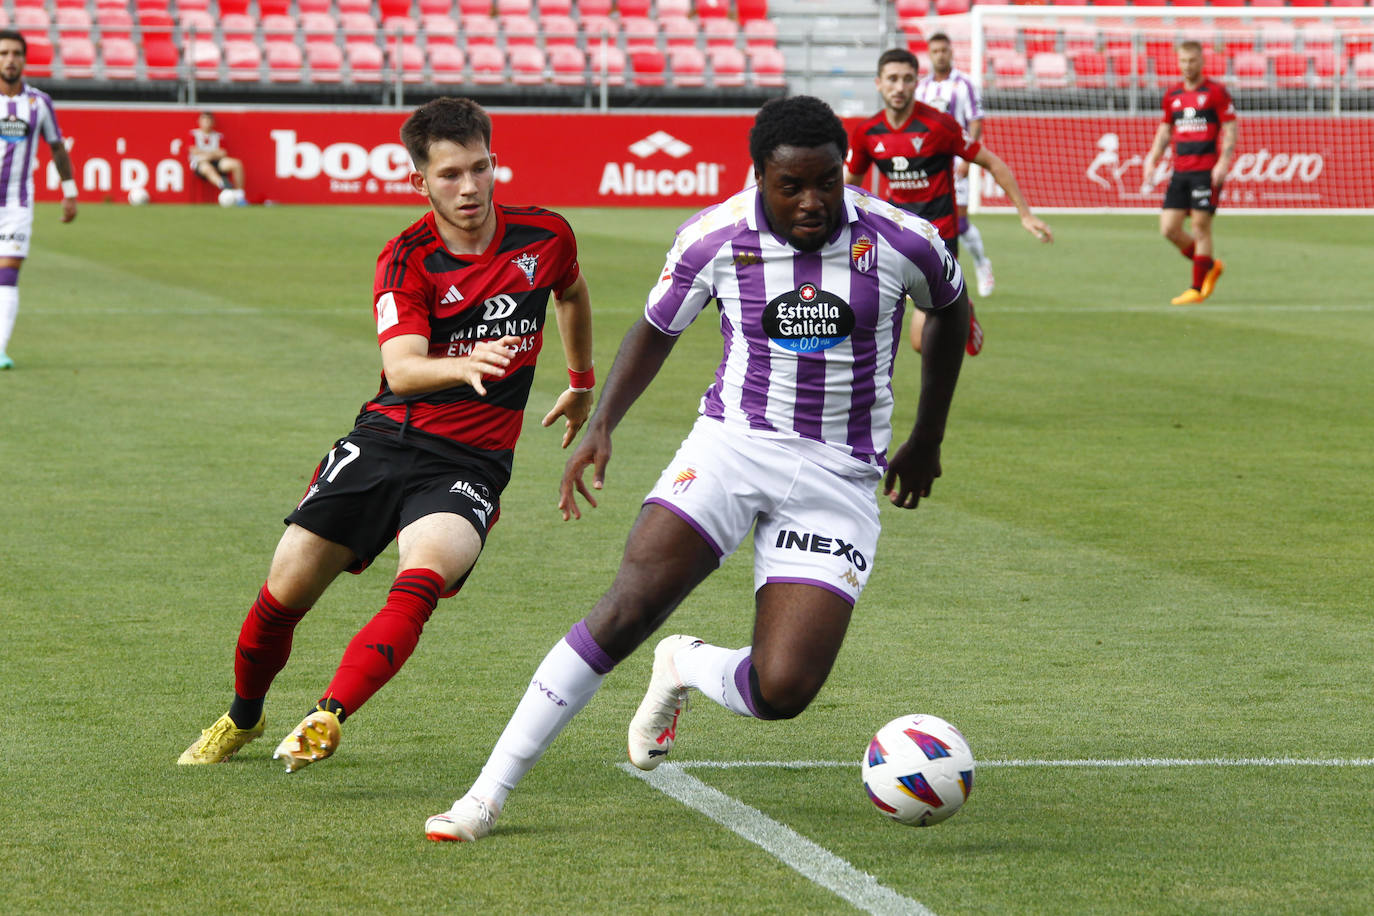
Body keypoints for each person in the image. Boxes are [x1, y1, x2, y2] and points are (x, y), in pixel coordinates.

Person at [425, 95, 969, 842]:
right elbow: (655, 329)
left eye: (827, 183)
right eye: (791, 186)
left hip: (839, 479)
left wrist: (928, 438)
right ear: (759, 178)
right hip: (731, 447)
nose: (812, 202)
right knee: (626, 606)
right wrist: (603, 423)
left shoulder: (902, 237)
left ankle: (684, 665)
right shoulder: (714, 236)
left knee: (782, 691)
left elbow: (950, 309)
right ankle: (485, 795)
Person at [178, 97, 595, 771]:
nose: (470, 188)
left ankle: (327, 715)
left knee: (422, 577)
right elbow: (401, 370)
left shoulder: (546, 237)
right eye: (452, 174)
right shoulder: (406, 259)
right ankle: (244, 716)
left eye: (481, 169)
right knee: (283, 594)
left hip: (473, 460)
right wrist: (466, 362)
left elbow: (571, 293)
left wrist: (581, 380)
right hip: (385, 442)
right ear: (420, 182)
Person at [845, 47, 1051, 358]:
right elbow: (850, 188)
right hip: (894, 236)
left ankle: (958, 311)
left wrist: (1025, 214)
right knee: (917, 341)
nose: (899, 87)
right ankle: (961, 306)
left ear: (918, 83)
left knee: (926, 342)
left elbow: (993, 163)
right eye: (892, 79)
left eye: (907, 79)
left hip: (937, 237)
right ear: (879, 83)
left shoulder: (939, 126)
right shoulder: (867, 133)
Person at [0, 30, 77, 371]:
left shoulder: (39, 103)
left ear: (25, 59)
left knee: (7, 275)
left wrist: (70, 191)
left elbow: (57, 147)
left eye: (16, 53)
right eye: (3, 54)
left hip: (17, 203)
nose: (10, 60)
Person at [1140, 40, 1237, 306]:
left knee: (1200, 226)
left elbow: (1230, 128)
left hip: (1206, 171)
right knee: (1169, 229)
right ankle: (1210, 266)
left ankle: (1196, 288)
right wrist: (1152, 158)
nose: (1187, 66)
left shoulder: (1215, 92)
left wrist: (1223, 162)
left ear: (1202, 61)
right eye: (1183, 61)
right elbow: (1165, 129)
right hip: (1180, 171)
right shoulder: (1173, 95)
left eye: (1192, 61)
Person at [916, 32, 995, 299]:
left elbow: (975, 121)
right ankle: (928, 276)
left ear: (951, 52)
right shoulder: (921, 88)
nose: (940, 55)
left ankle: (982, 264)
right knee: (924, 223)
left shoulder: (965, 85)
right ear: (929, 53)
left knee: (959, 224)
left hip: (956, 161)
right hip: (929, 164)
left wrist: (968, 158)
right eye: (935, 51)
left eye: (944, 50)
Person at [188, 111, 247, 205]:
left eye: (209, 120)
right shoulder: (194, 134)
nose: (207, 122)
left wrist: (207, 156)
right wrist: (213, 153)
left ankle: (240, 196)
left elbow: (223, 152)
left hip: (216, 161)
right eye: (204, 120)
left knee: (236, 164)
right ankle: (225, 185)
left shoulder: (218, 136)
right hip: (200, 164)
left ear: (213, 122)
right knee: (206, 167)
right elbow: (194, 150)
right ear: (199, 121)